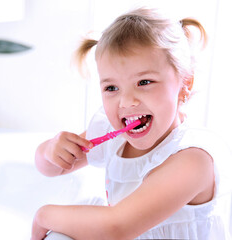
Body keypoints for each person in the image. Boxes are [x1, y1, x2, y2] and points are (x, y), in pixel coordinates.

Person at [31, 7, 232, 240]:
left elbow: (116, 228)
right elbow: (52, 169)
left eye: (144, 82)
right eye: (111, 88)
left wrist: (43, 215)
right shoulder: (112, 134)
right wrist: (50, 150)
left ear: (185, 83)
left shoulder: (193, 160)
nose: (126, 102)